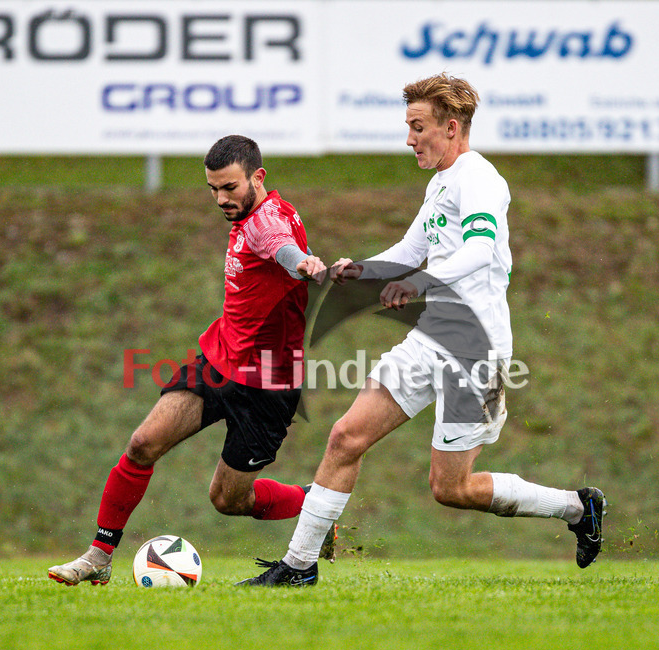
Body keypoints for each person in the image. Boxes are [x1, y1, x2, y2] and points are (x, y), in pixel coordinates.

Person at [238, 74, 606, 587]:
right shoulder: (440, 183)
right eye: (408, 126)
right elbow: (411, 250)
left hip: (475, 350)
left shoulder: (480, 179)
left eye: (418, 127)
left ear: (451, 127)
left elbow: (478, 249)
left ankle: (576, 507)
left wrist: (418, 283)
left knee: (451, 488)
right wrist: (359, 270)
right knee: (345, 436)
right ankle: (298, 566)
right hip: (432, 338)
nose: (409, 139)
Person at [48, 135, 329, 585]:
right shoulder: (261, 211)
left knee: (227, 499)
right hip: (220, 361)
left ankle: (315, 505)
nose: (221, 199)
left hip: (268, 384)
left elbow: (281, 246)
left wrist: (302, 263)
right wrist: (304, 262)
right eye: (213, 189)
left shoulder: (267, 220)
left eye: (230, 188)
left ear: (258, 177)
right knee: (142, 444)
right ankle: (99, 557)